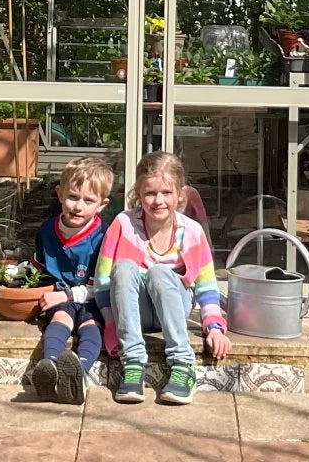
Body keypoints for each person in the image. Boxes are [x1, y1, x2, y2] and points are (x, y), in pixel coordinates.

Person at [94, 151, 231, 405]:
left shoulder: (192, 231)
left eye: (166, 193)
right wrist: (111, 326)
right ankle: (133, 362)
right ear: (138, 194)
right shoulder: (123, 223)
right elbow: (103, 284)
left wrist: (214, 326)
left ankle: (183, 364)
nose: (158, 201)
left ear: (180, 194)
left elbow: (207, 286)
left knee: (159, 272)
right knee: (123, 268)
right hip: (138, 312)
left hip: (174, 306)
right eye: (150, 193)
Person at [29, 155, 113, 405]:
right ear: (59, 194)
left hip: (92, 298)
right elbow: (38, 270)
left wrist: (65, 295)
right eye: (73, 197)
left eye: (89, 201)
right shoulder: (47, 230)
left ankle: (79, 372)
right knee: (60, 318)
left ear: (101, 204)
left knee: (90, 326)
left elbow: (100, 284)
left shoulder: (103, 236)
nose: (78, 206)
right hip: (60, 296)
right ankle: (50, 366)